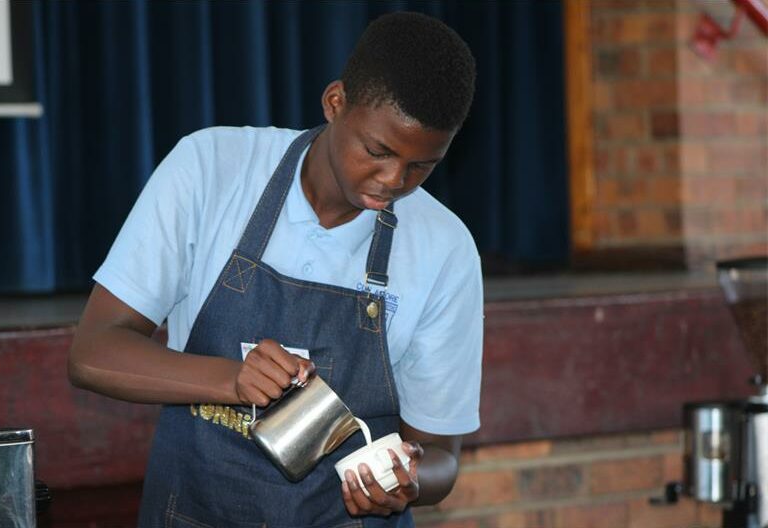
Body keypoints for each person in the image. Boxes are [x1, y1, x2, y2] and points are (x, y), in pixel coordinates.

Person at [68, 10, 482, 528]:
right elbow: (92, 354)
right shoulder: (211, 170)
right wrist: (232, 380)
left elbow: (441, 453)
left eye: (423, 165)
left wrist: (409, 481)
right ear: (336, 103)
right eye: (378, 151)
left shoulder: (445, 249)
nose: (394, 180)